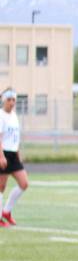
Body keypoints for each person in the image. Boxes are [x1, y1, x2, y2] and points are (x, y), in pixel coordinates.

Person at [0, 89, 29, 227]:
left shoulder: (14, 116)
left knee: (24, 183)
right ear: (3, 100)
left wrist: (18, 154)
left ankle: (7, 212)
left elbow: (15, 137)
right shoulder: (1, 115)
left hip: (13, 154)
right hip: (3, 153)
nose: (12, 103)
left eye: (13, 100)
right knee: (1, 187)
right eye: (9, 100)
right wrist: (1, 156)